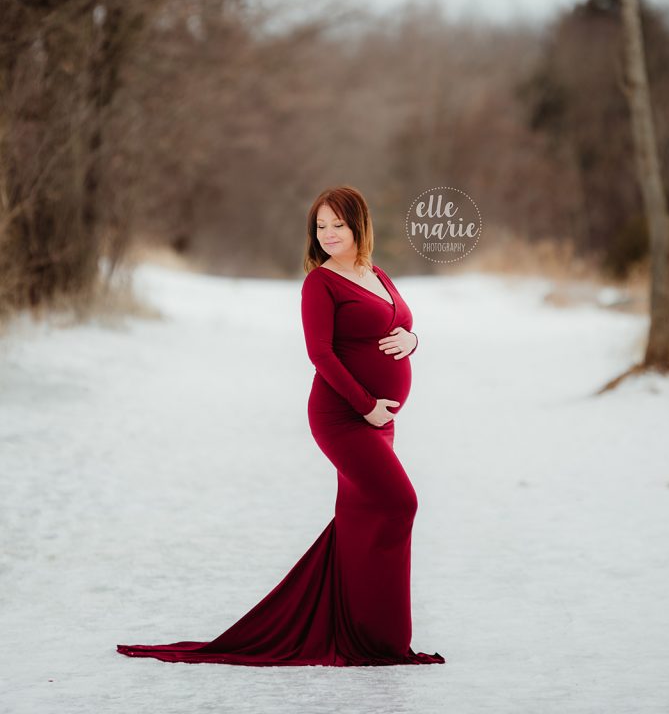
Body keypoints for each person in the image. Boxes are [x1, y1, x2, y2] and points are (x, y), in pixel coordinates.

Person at [116, 185, 444, 666]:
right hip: (343, 417)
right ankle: (373, 637)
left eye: (338, 224)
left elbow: (398, 325)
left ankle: (370, 636)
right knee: (398, 503)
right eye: (321, 226)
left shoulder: (376, 273)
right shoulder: (321, 283)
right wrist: (367, 405)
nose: (329, 234)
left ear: (360, 226)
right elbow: (320, 354)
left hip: (379, 421)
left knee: (362, 517)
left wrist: (412, 340)